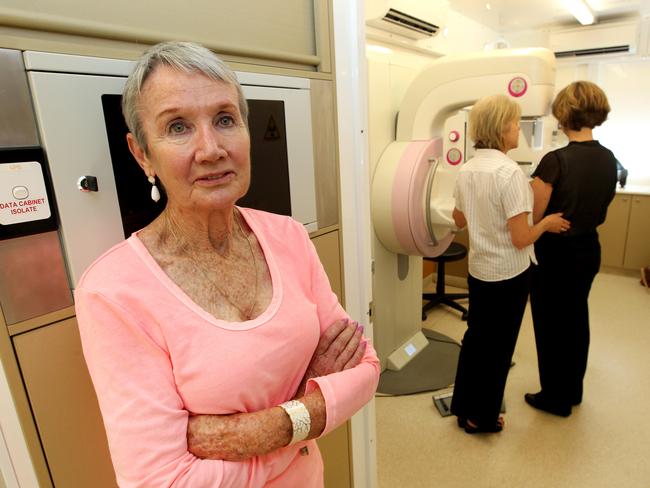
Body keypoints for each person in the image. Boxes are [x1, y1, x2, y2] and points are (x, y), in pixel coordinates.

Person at [74, 41, 379, 487]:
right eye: (178, 127)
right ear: (142, 155)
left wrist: (254, 431)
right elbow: (162, 481)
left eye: (225, 119)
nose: (211, 148)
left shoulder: (289, 237)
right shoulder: (113, 291)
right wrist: (308, 407)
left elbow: (365, 369)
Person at [449, 94, 570, 434]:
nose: (519, 129)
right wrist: (546, 224)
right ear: (502, 129)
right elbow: (521, 238)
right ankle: (482, 418)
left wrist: (478, 214)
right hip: (508, 274)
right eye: (516, 123)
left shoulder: (467, 169)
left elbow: (458, 219)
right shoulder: (509, 173)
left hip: (480, 271)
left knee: (476, 340)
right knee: (498, 349)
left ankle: (464, 407)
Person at [526, 81, 617, 417]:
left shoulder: (555, 161)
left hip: (555, 253)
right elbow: (602, 208)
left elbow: (535, 216)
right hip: (588, 249)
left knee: (551, 325)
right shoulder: (609, 159)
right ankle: (572, 391)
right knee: (576, 320)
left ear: (563, 115)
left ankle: (555, 398)